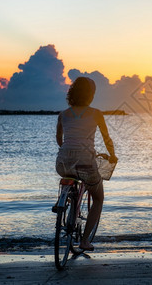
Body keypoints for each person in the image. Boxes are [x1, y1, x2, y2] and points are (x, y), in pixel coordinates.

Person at [55, 77, 118, 251]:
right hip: (86, 164)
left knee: (70, 175)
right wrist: (112, 155)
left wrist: (69, 151)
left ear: (72, 93)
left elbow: (59, 140)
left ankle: (63, 201)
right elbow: (106, 138)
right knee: (98, 199)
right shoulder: (96, 113)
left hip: (62, 164)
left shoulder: (63, 114)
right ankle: (84, 241)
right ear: (90, 95)